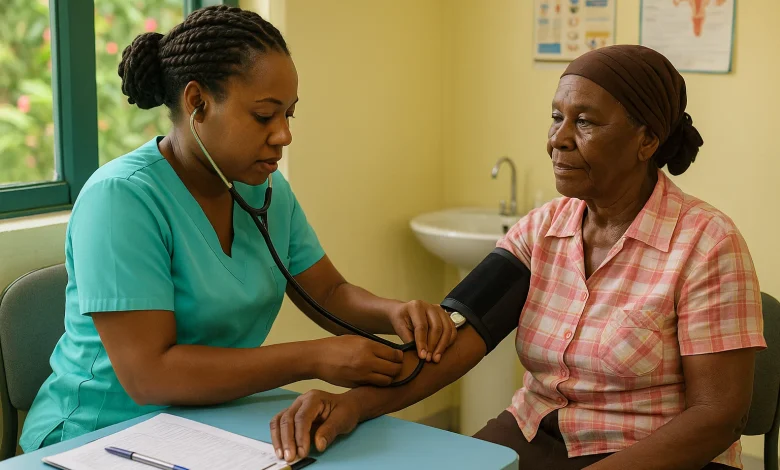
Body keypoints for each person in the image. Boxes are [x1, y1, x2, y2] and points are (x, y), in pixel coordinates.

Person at [270, 45, 766, 470]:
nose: (558, 139)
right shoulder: (541, 230)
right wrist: (350, 406)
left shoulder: (707, 244)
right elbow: (449, 345)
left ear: (647, 140)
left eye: (586, 122)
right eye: (556, 117)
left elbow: (716, 415)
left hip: (648, 454)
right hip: (534, 433)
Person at [19, 5, 458, 453]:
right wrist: (315, 357)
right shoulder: (121, 199)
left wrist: (394, 313)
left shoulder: (265, 189)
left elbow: (327, 293)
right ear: (197, 103)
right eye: (265, 116)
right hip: (95, 438)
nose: (284, 135)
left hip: (210, 425)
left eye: (290, 114)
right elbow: (150, 375)